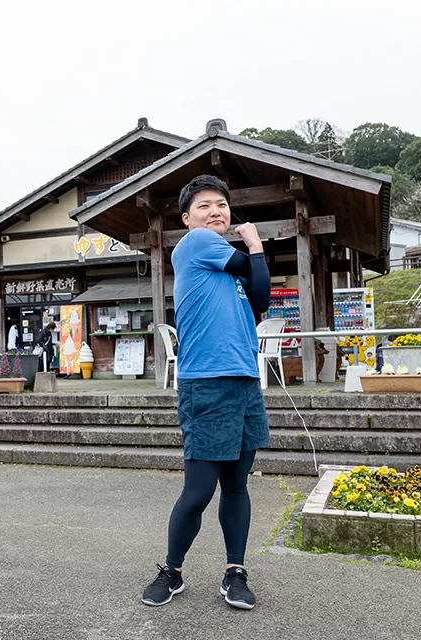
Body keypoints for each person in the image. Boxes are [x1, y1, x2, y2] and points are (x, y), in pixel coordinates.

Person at [140, 175, 270, 611]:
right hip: (207, 383)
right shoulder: (196, 243)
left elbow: (263, 297)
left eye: (222, 205)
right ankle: (172, 571)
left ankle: (235, 571)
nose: (216, 212)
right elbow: (251, 270)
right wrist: (253, 243)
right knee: (198, 491)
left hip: (244, 382)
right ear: (187, 218)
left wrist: (254, 254)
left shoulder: (228, 269)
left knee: (237, 487)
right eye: (204, 206)